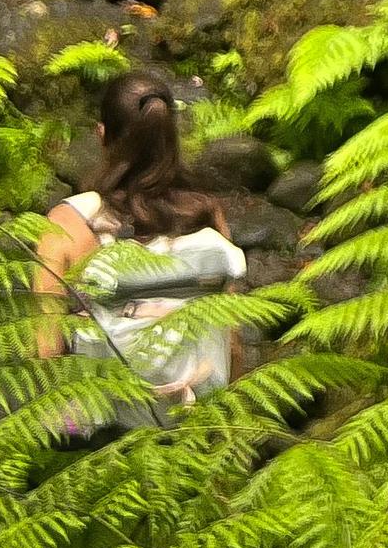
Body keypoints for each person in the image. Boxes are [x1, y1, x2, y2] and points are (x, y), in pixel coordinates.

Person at [36, 71, 248, 415]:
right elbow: (230, 335)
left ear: (102, 135)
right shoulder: (205, 216)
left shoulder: (68, 225)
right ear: (171, 138)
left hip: (104, 430)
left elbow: (48, 351)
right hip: (196, 420)